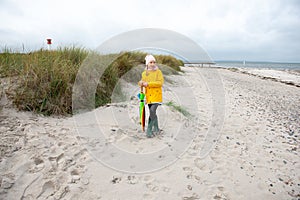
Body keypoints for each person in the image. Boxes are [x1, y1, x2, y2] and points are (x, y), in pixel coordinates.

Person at [138, 55, 164, 138]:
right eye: (150, 62)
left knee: (152, 111)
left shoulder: (158, 72)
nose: (152, 64)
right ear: (147, 64)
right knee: (153, 113)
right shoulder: (144, 73)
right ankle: (156, 128)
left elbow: (160, 83)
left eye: (154, 62)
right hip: (149, 96)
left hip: (156, 95)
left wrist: (148, 84)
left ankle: (149, 131)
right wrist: (141, 83)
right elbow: (142, 83)